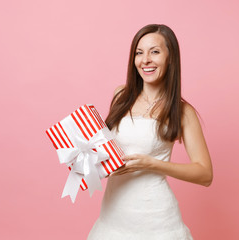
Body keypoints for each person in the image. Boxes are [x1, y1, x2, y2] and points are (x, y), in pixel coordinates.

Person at [87, 24, 213, 240]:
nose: (145, 60)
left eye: (154, 52)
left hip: (157, 220)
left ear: (170, 57)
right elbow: (105, 150)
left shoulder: (182, 111)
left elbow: (205, 174)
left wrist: (152, 164)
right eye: (139, 52)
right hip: (113, 217)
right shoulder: (120, 95)